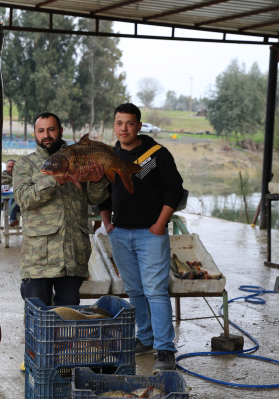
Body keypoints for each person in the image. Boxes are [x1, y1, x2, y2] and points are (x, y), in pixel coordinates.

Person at [99, 103, 184, 374]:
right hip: (120, 234)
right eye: (119, 123)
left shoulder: (156, 154)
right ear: (114, 126)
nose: (124, 128)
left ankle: (165, 349)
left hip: (151, 233)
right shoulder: (109, 156)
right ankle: (145, 339)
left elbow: (174, 191)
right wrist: (107, 224)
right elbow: (102, 192)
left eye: (129, 123)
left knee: (156, 292)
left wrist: (160, 224)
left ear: (139, 125)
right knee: (135, 291)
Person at [14, 112, 108, 307]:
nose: (46, 134)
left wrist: (98, 181)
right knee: (37, 316)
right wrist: (52, 181)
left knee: (68, 316)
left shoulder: (79, 158)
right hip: (38, 258)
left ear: (60, 131)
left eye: (51, 129)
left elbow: (95, 198)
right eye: (41, 130)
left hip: (73, 255)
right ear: (35, 134)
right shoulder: (26, 164)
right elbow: (24, 199)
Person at [1, 159, 20, 226]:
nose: (11, 169)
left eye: (13, 167)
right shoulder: (1, 177)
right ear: (6, 167)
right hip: (4, 204)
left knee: (15, 197)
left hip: (19, 205)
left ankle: (12, 219)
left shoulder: (22, 177)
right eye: (9, 167)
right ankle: (12, 219)